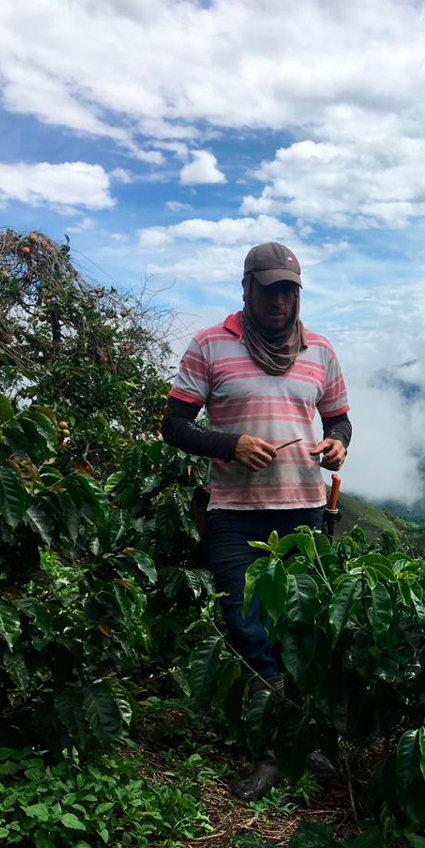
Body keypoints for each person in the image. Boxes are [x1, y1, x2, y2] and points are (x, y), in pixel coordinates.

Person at [162, 242, 352, 799]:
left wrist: (337, 446)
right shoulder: (211, 345)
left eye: (288, 289)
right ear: (246, 287)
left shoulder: (319, 350)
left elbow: (340, 420)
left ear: (299, 293)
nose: (279, 300)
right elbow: (174, 424)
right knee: (248, 627)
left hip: (303, 511)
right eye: (268, 288)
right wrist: (230, 444)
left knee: (299, 627)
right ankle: (277, 747)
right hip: (235, 517)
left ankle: (284, 743)